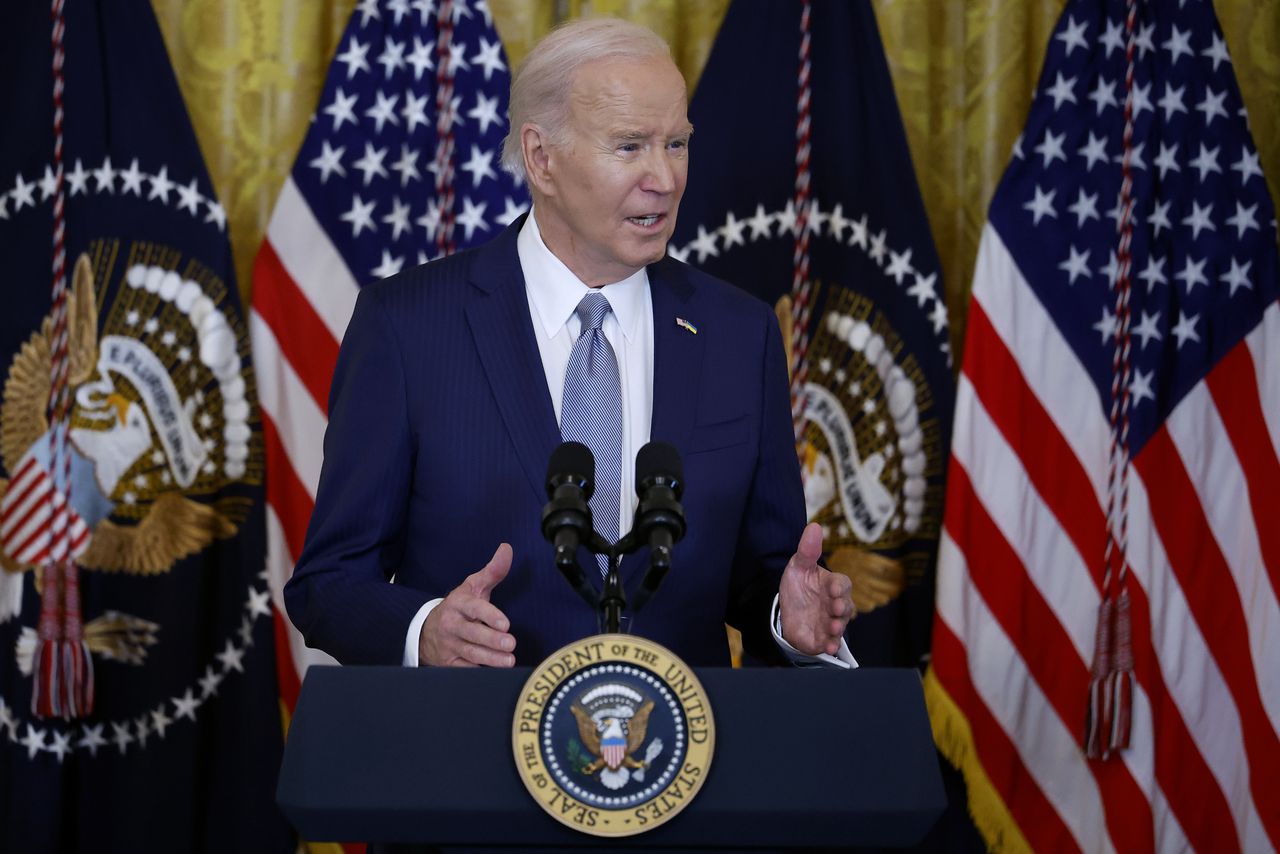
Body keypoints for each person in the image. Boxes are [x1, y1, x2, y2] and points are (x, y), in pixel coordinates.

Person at [285, 18, 855, 670]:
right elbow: (329, 582)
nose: (664, 178)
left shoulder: (740, 334)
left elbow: (763, 575)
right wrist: (426, 630)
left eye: (676, 143)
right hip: (473, 752)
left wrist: (789, 617)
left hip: (679, 756)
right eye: (630, 146)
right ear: (541, 158)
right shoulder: (409, 326)